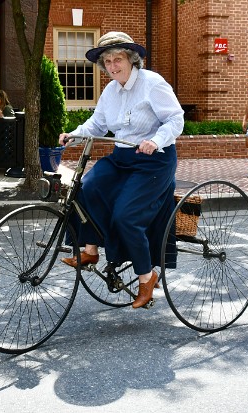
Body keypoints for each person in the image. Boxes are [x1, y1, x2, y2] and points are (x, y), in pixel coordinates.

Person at [58, 31, 184, 309]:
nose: (113, 65)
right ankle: (90, 249)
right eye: (108, 61)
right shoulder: (110, 90)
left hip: (155, 160)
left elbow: (176, 119)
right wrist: (73, 135)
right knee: (85, 188)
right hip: (123, 157)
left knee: (126, 216)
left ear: (131, 59)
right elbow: (97, 125)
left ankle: (146, 276)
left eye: (118, 59)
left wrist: (156, 140)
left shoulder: (152, 83)